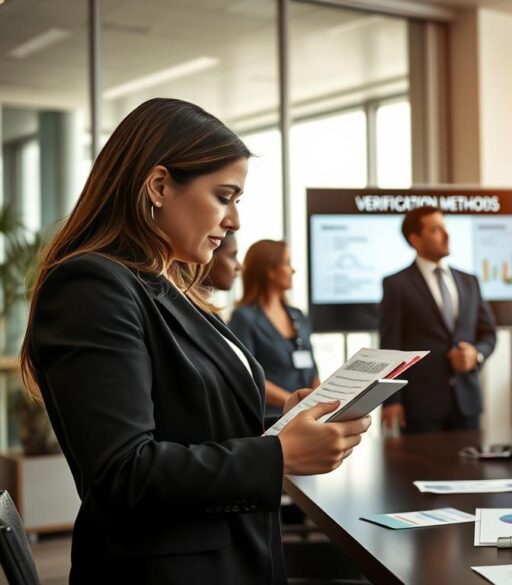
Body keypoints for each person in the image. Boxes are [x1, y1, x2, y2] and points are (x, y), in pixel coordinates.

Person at [19, 98, 369, 584]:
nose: (234, 222)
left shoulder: (164, 287)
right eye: (224, 196)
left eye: (237, 201)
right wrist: (279, 454)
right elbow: (124, 473)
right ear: (159, 185)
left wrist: (286, 422)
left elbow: (189, 422)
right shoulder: (92, 286)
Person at [379, 206, 497, 433]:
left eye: (445, 227)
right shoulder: (396, 285)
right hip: (421, 406)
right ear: (415, 239)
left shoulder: (469, 282)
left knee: (471, 469)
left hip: (467, 403)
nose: (446, 234)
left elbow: (489, 333)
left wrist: (476, 355)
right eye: (436, 229)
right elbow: (390, 345)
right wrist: (392, 400)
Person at [229, 240, 320, 416]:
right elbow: (248, 376)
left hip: (307, 416)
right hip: (271, 419)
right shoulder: (244, 318)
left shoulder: (298, 315)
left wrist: (318, 405)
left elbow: (312, 370)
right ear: (269, 271)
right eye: (287, 263)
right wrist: (294, 404)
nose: (293, 270)